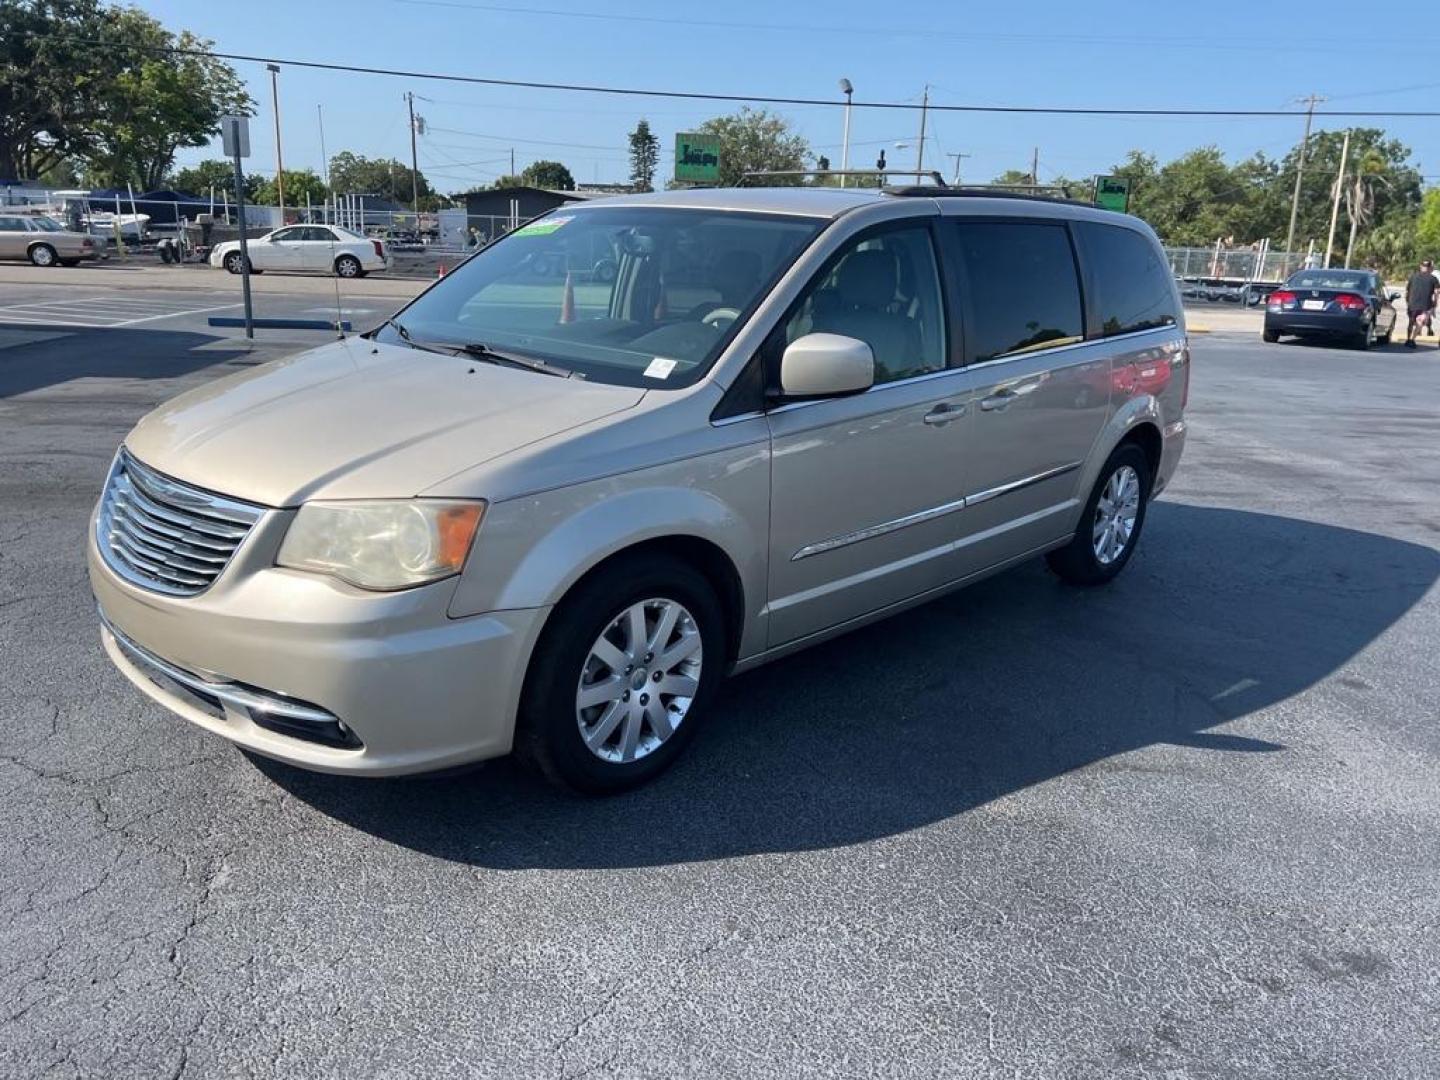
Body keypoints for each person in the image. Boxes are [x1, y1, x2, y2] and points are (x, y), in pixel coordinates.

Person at [1404, 259, 1438, 347]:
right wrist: (1435, 303)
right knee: (1419, 322)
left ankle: (1409, 339)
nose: (1425, 268)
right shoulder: (1433, 279)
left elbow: (1407, 291)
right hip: (1424, 305)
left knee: (1413, 322)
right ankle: (1411, 339)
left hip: (1414, 304)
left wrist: (1407, 301)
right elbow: (1436, 292)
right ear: (1430, 268)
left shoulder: (1413, 276)